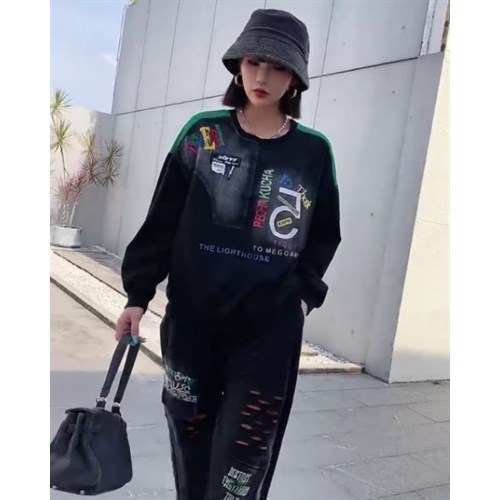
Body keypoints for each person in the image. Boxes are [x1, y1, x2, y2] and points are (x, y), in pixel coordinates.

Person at [115, 8, 341, 500]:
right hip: (192, 325)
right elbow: (162, 221)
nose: (262, 77)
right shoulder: (203, 134)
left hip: (267, 337)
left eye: (278, 67)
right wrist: (137, 296)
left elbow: (324, 235)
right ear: (238, 64)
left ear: (295, 78)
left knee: (244, 463)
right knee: (190, 446)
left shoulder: (313, 152)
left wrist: (302, 298)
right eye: (254, 62)